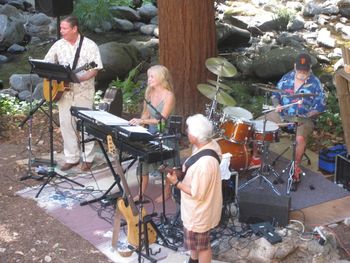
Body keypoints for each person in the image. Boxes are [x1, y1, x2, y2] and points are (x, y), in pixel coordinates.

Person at [250, 53, 326, 190]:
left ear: (309, 68)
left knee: (300, 138)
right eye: (300, 69)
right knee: (260, 123)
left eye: (305, 70)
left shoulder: (316, 83)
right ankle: (255, 157)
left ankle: (295, 167)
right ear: (295, 66)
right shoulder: (286, 78)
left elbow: (320, 107)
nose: (302, 72)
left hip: (303, 119)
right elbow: (275, 94)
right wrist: (276, 104)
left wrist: (309, 115)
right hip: (283, 115)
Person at [44, 16, 103, 172]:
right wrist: (55, 78)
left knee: (85, 125)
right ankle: (71, 157)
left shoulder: (90, 46)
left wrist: (80, 78)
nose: (61, 31)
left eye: (64, 28)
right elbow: (47, 63)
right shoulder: (58, 45)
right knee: (66, 124)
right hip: (63, 93)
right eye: (61, 28)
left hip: (83, 92)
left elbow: (94, 69)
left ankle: (88, 158)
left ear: (74, 28)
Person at [167, 114, 222, 263]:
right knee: (195, 242)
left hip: (199, 211)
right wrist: (180, 173)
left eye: (188, 130)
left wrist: (175, 183)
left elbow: (197, 193)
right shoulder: (210, 145)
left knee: (202, 245)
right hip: (196, 210)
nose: (186, 131)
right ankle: (193, 260)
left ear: (196, 136)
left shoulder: (204, 164)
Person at [129, 65, 177, 203]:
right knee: (143, 162)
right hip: (150, 132)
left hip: (165, 133)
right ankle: (141, 193)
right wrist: (138, 126)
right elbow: (145, 113)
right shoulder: (149, 93)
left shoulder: (169, 96)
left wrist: (142, 120)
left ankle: (167, 192)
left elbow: (161, 120)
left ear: (162, 78)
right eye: (148, 76)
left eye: (152, 76)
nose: (149, 79)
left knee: (167, 165)